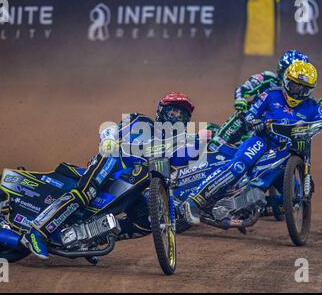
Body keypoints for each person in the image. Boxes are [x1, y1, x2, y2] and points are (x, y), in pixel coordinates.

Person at [21, 92, 195, 259]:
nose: (176, 117)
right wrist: (109, 139)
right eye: (173, 111)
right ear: (162, 110)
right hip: (111, 161)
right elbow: (111, 127)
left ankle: (89, 239)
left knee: (146, 221)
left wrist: (210, 139)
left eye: (181, 115)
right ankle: (37, 231)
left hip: (133, 183)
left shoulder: (177, 144)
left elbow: (190, 159)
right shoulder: (141, 121)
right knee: (85, 193)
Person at [182, 61, 322, 225]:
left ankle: (249, 204)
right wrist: (255, 122)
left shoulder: (312, 106)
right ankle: (194, 201)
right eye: (294, 85)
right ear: (287, 81)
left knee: (294, 196)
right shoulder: (271, 94)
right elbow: (250, 114)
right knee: (239, 166)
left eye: (303, 88)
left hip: (287, 150)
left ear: (310, 90)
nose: (297, 91)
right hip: (262, 141)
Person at [233, 50, 322, 113]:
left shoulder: (301, 93)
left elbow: (305, 108)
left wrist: (318, 106)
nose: (297, 78)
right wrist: (240, 99)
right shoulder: (267, 78)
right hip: (251, 120)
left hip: (277, 129)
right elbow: (242, 89)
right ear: (282, 69)